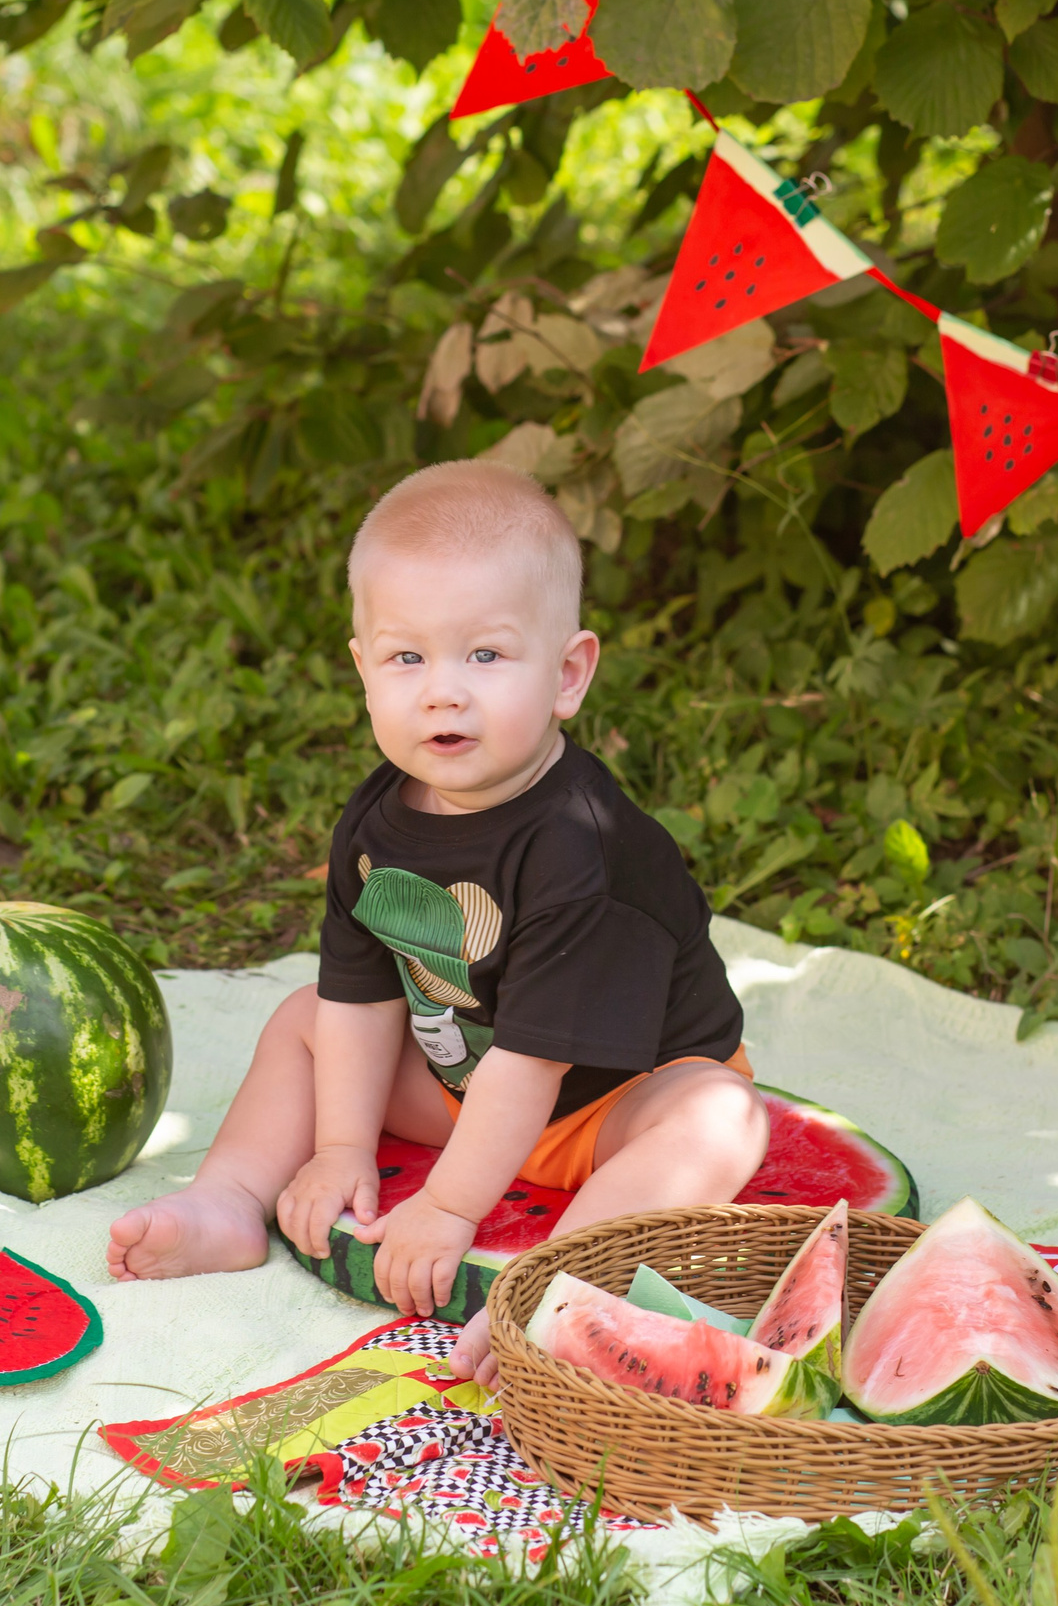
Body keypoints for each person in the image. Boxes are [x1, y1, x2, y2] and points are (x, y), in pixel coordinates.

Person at [105, 459, 767, 1387]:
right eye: (407, 657)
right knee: (307, 1019)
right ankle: (226, 1200)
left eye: (486, 656)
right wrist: (340, 1148)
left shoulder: (582, 848)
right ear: (363, 666)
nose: (442, 691)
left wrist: (450, 1209)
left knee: (721, 1116)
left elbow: (537, 1064)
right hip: (470, 1080)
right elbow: (363, 993)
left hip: (616, 1100)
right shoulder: (377, 820)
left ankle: (557, 1285)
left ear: (569, 674)